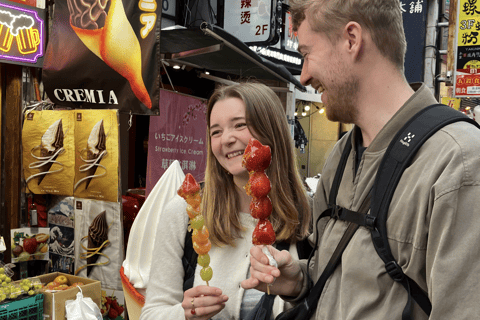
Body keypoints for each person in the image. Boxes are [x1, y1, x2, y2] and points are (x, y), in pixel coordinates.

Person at [241, 0, 480, 319]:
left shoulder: (459, 161)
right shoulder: (340, 155)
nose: (304, 75)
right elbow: (347, 275)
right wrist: (300, 279)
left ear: (351, 39)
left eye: (306, 54)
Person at [140, 82, 311, 320]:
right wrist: (184, 314)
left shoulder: (309, 216)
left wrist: (298, 286)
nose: (226, 139)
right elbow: (151, 313)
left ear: (271, 130)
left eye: (239, 125)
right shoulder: (185, 211)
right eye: (216, 131)